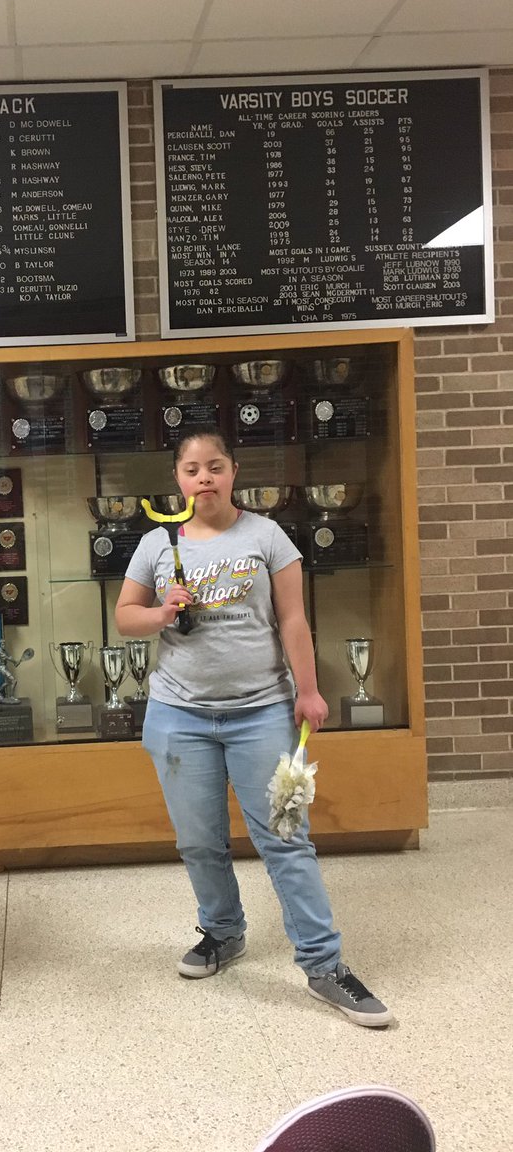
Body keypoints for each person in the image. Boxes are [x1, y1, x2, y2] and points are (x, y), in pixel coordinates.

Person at [115, 428, 392, 1028]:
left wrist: (309, 690)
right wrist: (161, 612)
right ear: (178, 479)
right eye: (193, 469)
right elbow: (125, 617)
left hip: (262, 711)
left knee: (286, 840)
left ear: (234, 472)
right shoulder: (157, 543)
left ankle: (324, 965)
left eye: (215, 466)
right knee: (199, 841)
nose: (205, 478)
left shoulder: (267, 536)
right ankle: (222, 931)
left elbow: (293, 620)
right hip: (179, 715)